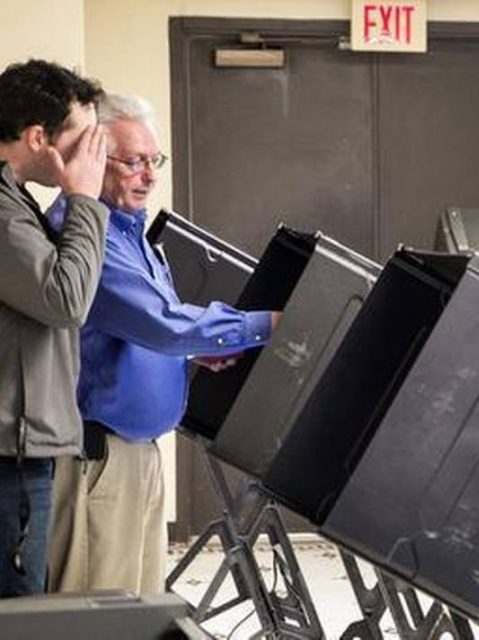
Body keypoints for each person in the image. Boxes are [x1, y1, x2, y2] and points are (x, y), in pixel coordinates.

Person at [46, 93, 278, 595]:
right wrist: (271, 324)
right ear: (92, 157)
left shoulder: (132, 235)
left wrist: (197, 349)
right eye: (133, 161)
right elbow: (165, 324)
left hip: (136, 455)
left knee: (139, 608)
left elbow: (139, 329)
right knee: (96, 612)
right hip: (100, 459)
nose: (149, 175)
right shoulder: (88, 237)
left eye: (155, 161)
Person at [0, 60, 108, 596]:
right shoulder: (4, 214)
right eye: (83, 140)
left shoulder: (17, 203)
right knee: (19, 612)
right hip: (10, 457)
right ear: (38, 137)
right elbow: (66, 300)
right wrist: (84, 199)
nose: (93, 156)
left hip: (19, 449)